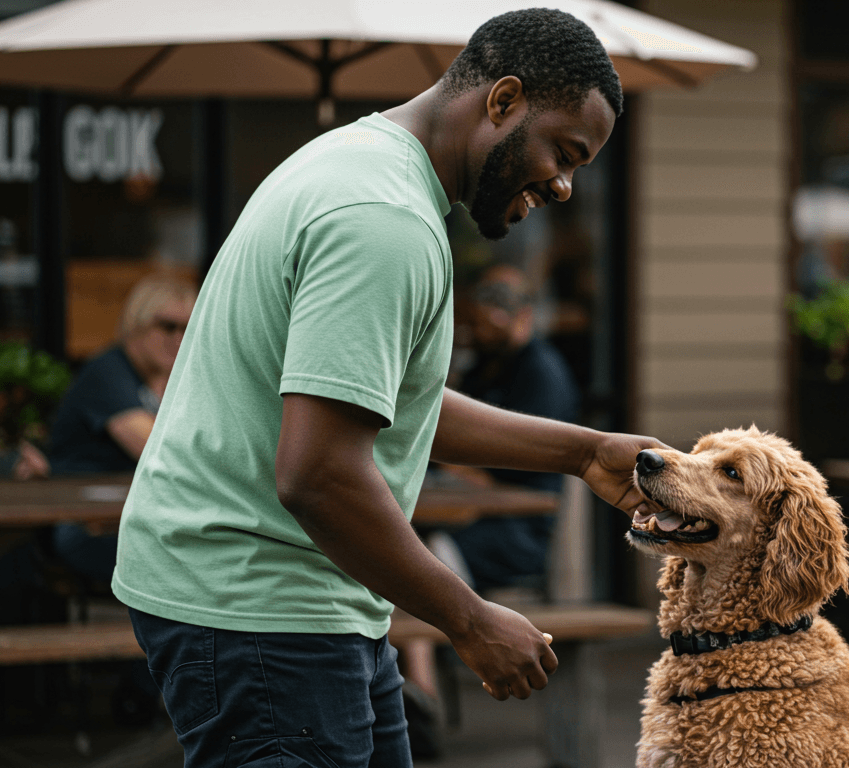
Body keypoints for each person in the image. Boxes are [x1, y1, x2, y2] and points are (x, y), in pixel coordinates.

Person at [110, 10, 662, 768]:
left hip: (315, 596)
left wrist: (584, 451)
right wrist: (467, 620)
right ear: (502, 102)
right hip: (260, 607)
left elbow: (391, 403)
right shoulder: (384, 223)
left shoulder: (364, 167)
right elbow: (319, 474)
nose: (566, 187)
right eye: (564, 153)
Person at [14, 275, 197, 581]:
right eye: (168, 326)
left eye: (188, 328)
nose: (179, 338)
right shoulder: (109, 372)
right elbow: (161, 452)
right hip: (85, 526)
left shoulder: (168, 380)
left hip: (134, 520)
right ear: (136, 324)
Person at [451, 264, 580, 591]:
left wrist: (466, 470)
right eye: (477, 324)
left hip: (521, 526)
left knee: (431, 554)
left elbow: (525, 461)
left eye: (491, 325)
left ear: (522, 316)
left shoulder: (541, 373)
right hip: (473, 510)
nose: (480, 334)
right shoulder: (486, 364)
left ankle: (423, 642)